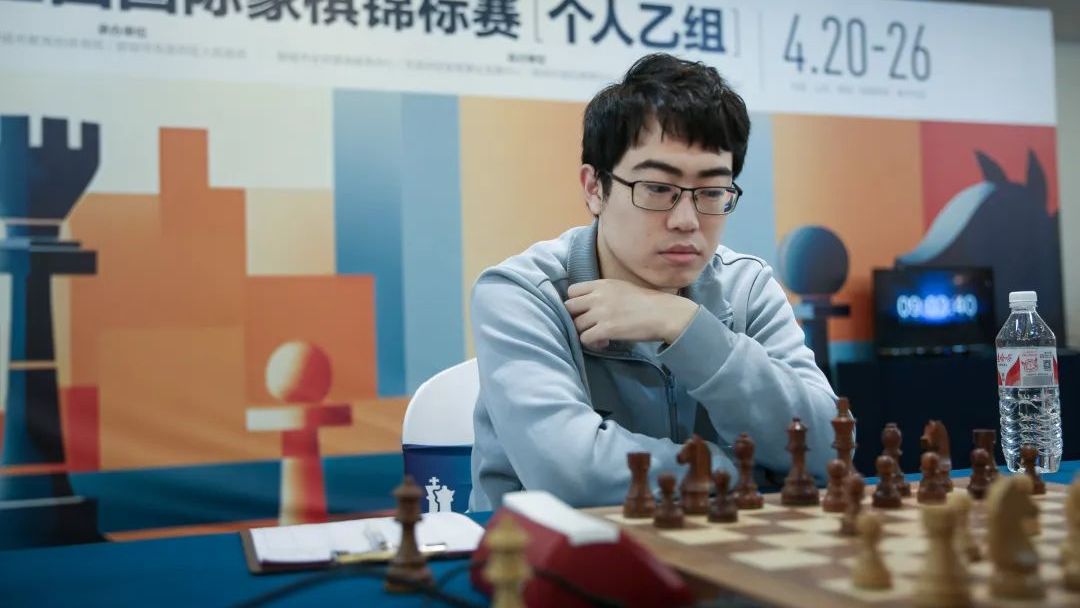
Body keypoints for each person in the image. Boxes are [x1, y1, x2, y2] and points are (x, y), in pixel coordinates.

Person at [468, 53, 837, 511]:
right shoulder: (521, 294)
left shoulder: (747, 287)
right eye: (658, 189)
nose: (687, 220)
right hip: (555, 550)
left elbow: (826, 449)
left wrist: (684, 325)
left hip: (723, 546)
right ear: (595, 188)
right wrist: (745, 471)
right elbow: (573, 477)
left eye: (711, 192)